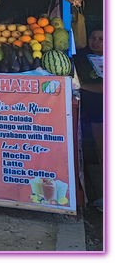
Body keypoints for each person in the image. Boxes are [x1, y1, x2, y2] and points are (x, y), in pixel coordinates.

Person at [73, 27, 103, 209]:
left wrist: (81, 85)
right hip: (91, 113)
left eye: (101, 38)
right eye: (93, 37)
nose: (96, 42)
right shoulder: (83, 58)